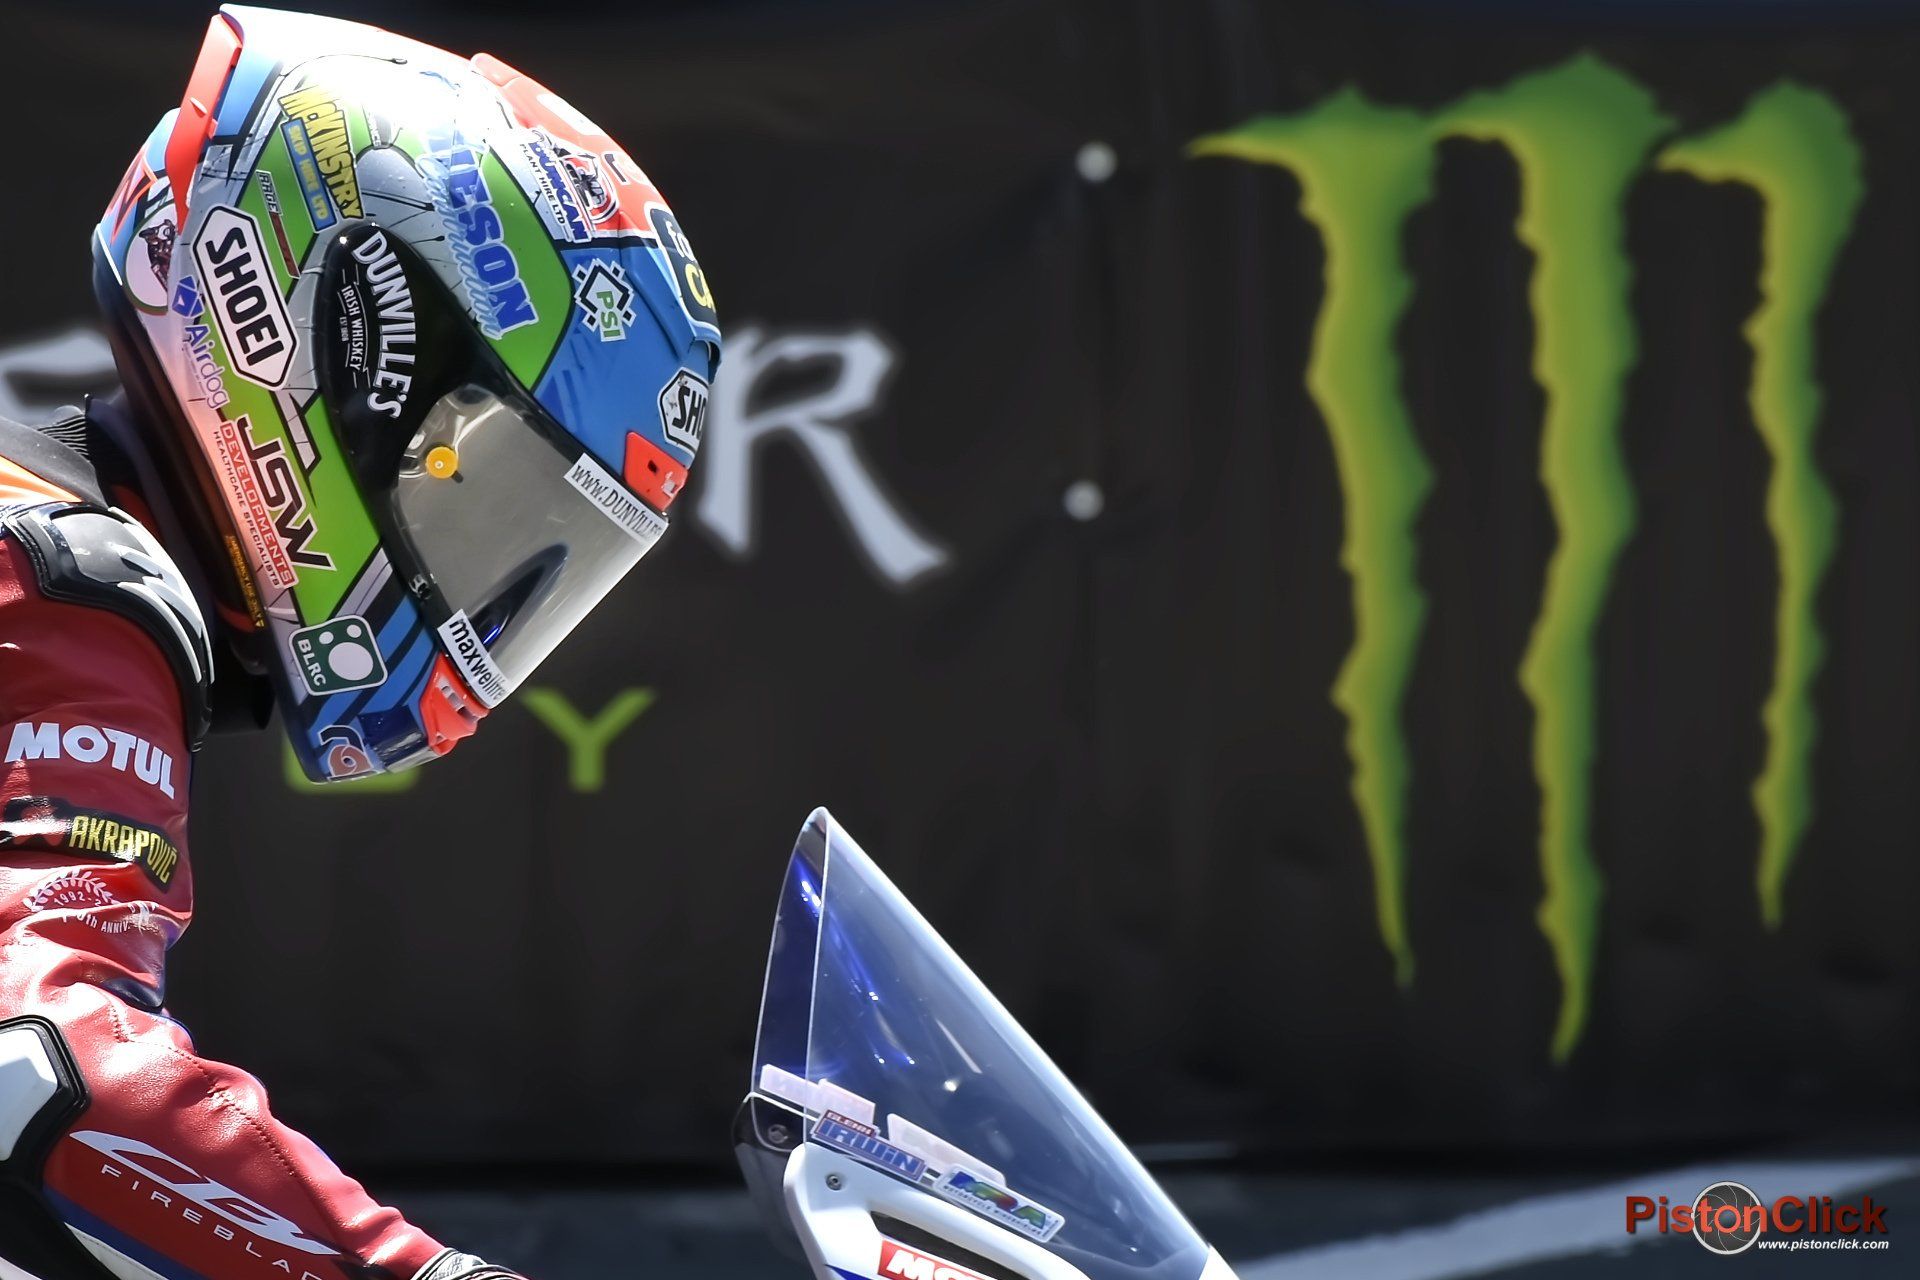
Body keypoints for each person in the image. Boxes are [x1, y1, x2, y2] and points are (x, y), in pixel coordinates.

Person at [0, 6, 719, 1277]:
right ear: (336, 348)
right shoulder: (63, 586)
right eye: (474, 485)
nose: (493, 582)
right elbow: (39, 1074)